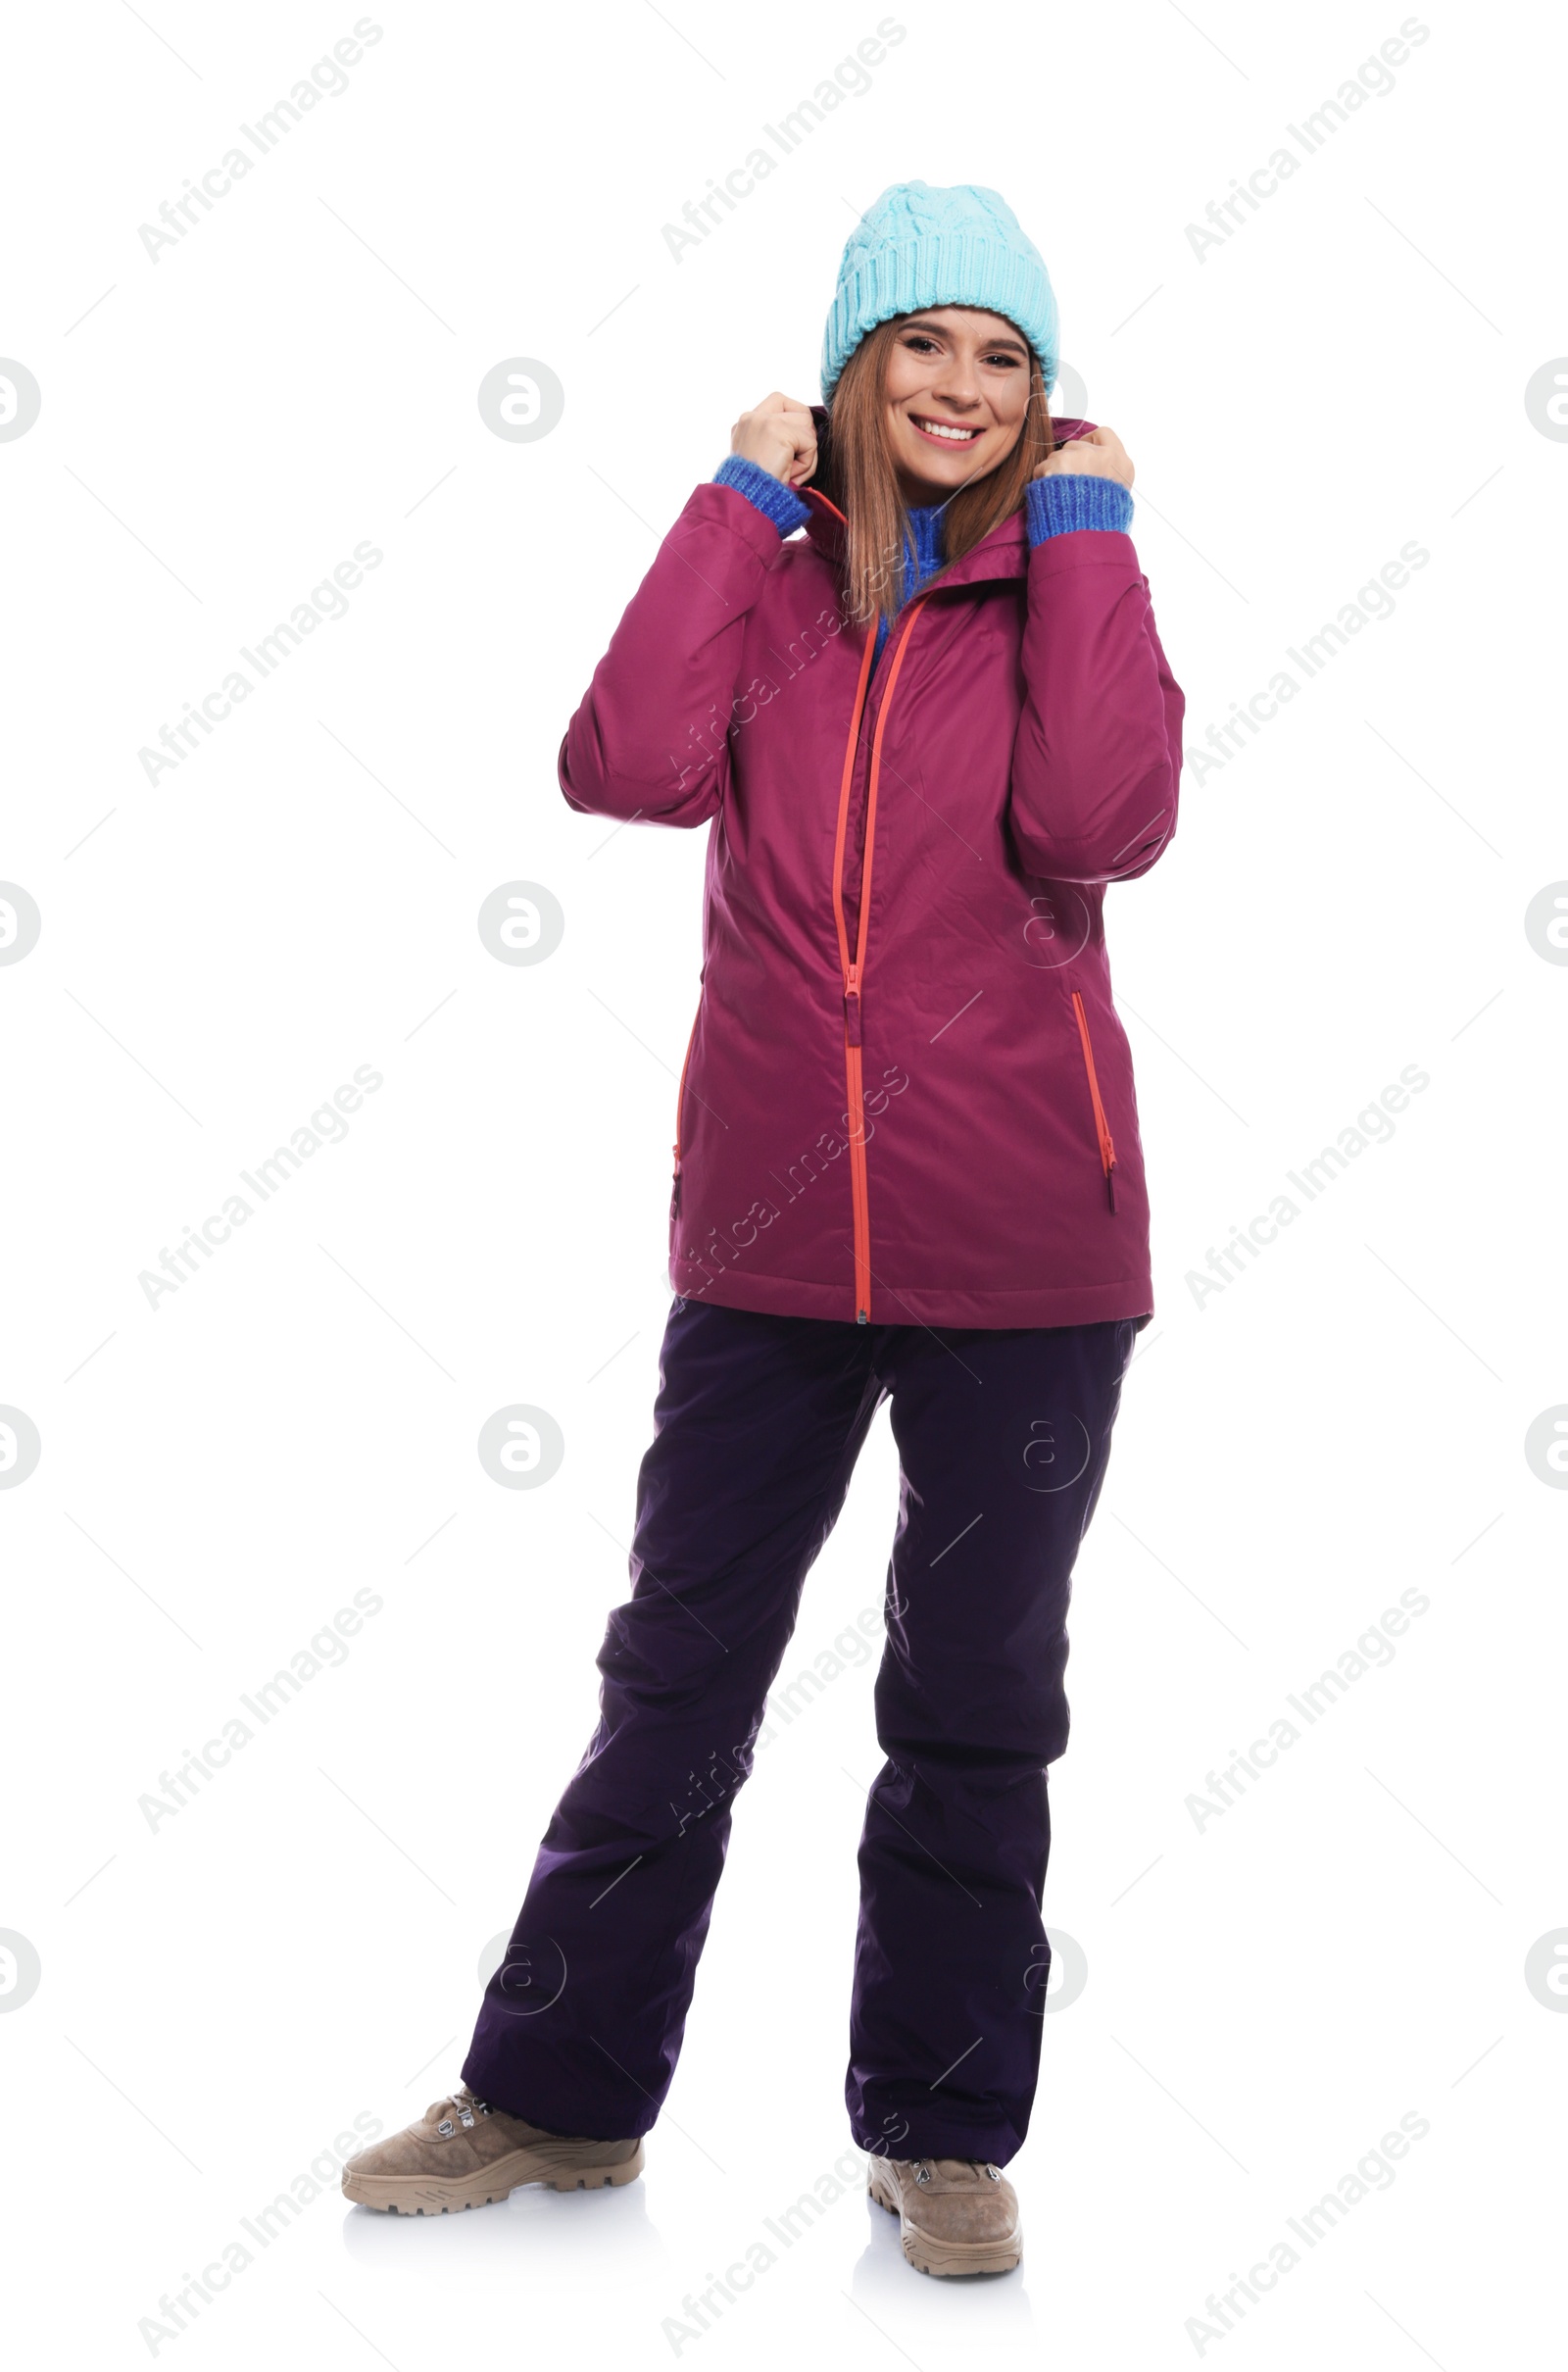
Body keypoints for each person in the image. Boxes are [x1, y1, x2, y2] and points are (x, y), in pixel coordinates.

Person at [344, 178, 1185, 2279]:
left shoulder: (1065, 588)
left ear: (1041, 401)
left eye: (1004, 357)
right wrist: (732, 498)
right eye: (923, 344)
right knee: (676, 1675)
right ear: (849, 370)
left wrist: (1086, 534)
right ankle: (555, 2095)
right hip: (767, 1245)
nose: (963, 387)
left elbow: (1103, 821)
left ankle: (939, 2130)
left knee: (975, 1695)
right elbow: (619, 763)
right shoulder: (781, 591)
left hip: (1023, 1248)